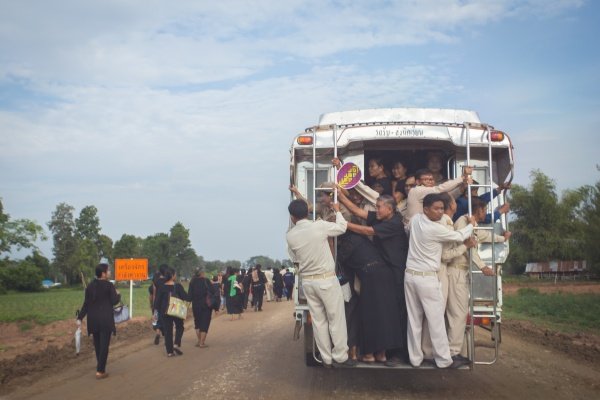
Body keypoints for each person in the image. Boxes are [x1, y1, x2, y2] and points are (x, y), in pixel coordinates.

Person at [337, 191, 409, 365]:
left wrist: (342, 224)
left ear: (390, 209)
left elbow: (367, 230)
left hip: (396, 273)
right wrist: (340, 196)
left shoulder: (394, 223)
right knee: (383, 313)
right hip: (385, 271)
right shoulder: (382, 218)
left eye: (378, 207)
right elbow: (357, 212)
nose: (375, 210)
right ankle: (382, 353)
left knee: (396, 314)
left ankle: (398, 354)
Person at [404, 193, 476, 368]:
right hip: (427, 279)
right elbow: (459, 236)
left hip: (410, 276)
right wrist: (472, 225)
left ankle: (415, 358)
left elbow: (407, 230)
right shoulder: (434, 229)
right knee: (436, 321)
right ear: (426, 209)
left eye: (442, 209)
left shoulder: (415, 219)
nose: (440, 212)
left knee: (414, 320)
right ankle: (444, 360)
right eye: (436, 209)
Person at [286, 198, 355, 368]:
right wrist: (338, 210)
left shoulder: (290, 236)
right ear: (307, 212)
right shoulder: (319, 225)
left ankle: (326, 358)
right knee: (336, 319)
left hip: (308, 283)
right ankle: (340, 356)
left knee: (319, 322)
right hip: (326, 280)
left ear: (292, 217)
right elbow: (342, 227)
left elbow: (294, 259)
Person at [447, 198, 511, 361]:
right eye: (484, 210)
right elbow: (468, 247)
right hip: (456, 271)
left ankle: (458, 352)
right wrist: (482, 266)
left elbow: (484, 235)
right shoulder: (463, 221)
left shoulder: (472, 224)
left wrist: (503, 239)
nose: (485, 213)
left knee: (460, 314)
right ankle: (453, 353)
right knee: (458, 314)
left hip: (461, 273)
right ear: (479, 210)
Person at [337, 231, 403, 363]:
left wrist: (332, 243)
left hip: (371, 277)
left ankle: (369, 355)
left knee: (369, 315)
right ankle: (382, 354)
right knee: (385, 315)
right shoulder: (363, 240)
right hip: (386, 274)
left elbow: (338, 259)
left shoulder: (348, 242)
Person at [76, 263, 121, 379]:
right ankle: (100, 371)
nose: (110, 272)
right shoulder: (109, 285)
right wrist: (118, 294)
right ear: (103, 273)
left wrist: (80, 317)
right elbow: (114, 301)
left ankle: (100, 367)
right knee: (104, 346)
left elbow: (86, 304)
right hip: (105, 319)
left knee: (98, 345)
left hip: (93, 319)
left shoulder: (90, 286)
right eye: (109, 271)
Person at [406, 167, 473, 223]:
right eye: (426, 179)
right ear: (418, 182)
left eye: (431, 179)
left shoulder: (430, 193)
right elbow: (439, 189)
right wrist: (462, 177)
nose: (430, 182)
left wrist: (462, 187)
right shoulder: (417, 190)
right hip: (414, 228)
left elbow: (447, 197)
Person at [155, 267, 188, 357]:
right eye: (175, 274)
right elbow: (186, 297)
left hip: (164, 311)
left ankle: (169, 352)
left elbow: (157, 302)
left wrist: (156, 313)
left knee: (167, 331)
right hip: (176, 310)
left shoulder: (161, 287)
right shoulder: (178, 286)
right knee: (180, 327)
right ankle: (176, 344)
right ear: (172, 276)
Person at [188, 268, 217, 348]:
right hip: (206, 306)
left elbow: (189, 297)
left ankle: (199, 341)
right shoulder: (206, 281)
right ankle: (202, 343)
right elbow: (213, 292)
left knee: (197, 324)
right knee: (205, 324)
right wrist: (216, 307)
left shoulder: (192, 282)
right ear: (202, 273)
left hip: (195, 306)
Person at [151, 264, 168, 345]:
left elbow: (154, 293)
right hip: (165, 304)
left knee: (157, 320)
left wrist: (154, 305)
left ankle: (158, 333)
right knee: (165, 320)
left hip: (157, 303)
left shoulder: (156, 282)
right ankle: (166, 338)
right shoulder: (168, 281)